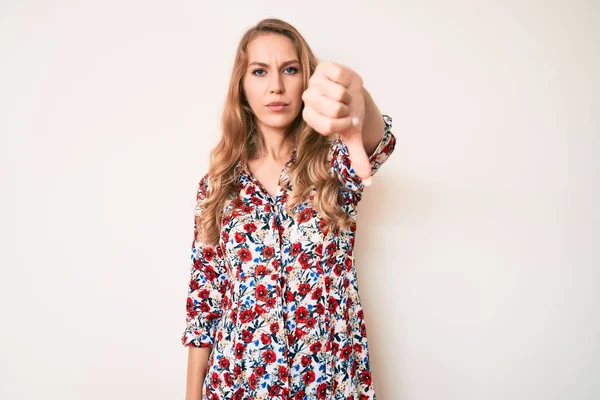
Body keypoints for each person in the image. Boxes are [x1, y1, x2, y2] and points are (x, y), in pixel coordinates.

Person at [181, 17, 396, 400]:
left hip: (328, 380)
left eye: (290, 70)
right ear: (242, 86)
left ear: (306, 82)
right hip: (239, 383)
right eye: (260, 71)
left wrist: (356, 101)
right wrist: (191, 395)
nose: (276, 86)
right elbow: (204, 302)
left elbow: (378, 142)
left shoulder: (334, 165)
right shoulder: (217, 187)